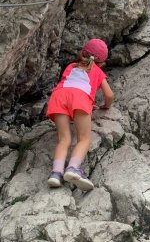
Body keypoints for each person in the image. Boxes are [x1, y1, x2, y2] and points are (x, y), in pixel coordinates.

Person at [46, 38, 114, 191]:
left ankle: (56, 174)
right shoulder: (98, 71)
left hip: (59, 97)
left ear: (82, 53)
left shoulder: (71, 66)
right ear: (102, 62)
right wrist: (105, 106)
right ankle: (73, 168)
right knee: (84, 139)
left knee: (63, 140)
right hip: (80, 99)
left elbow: (70, 88)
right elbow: (109, 95)